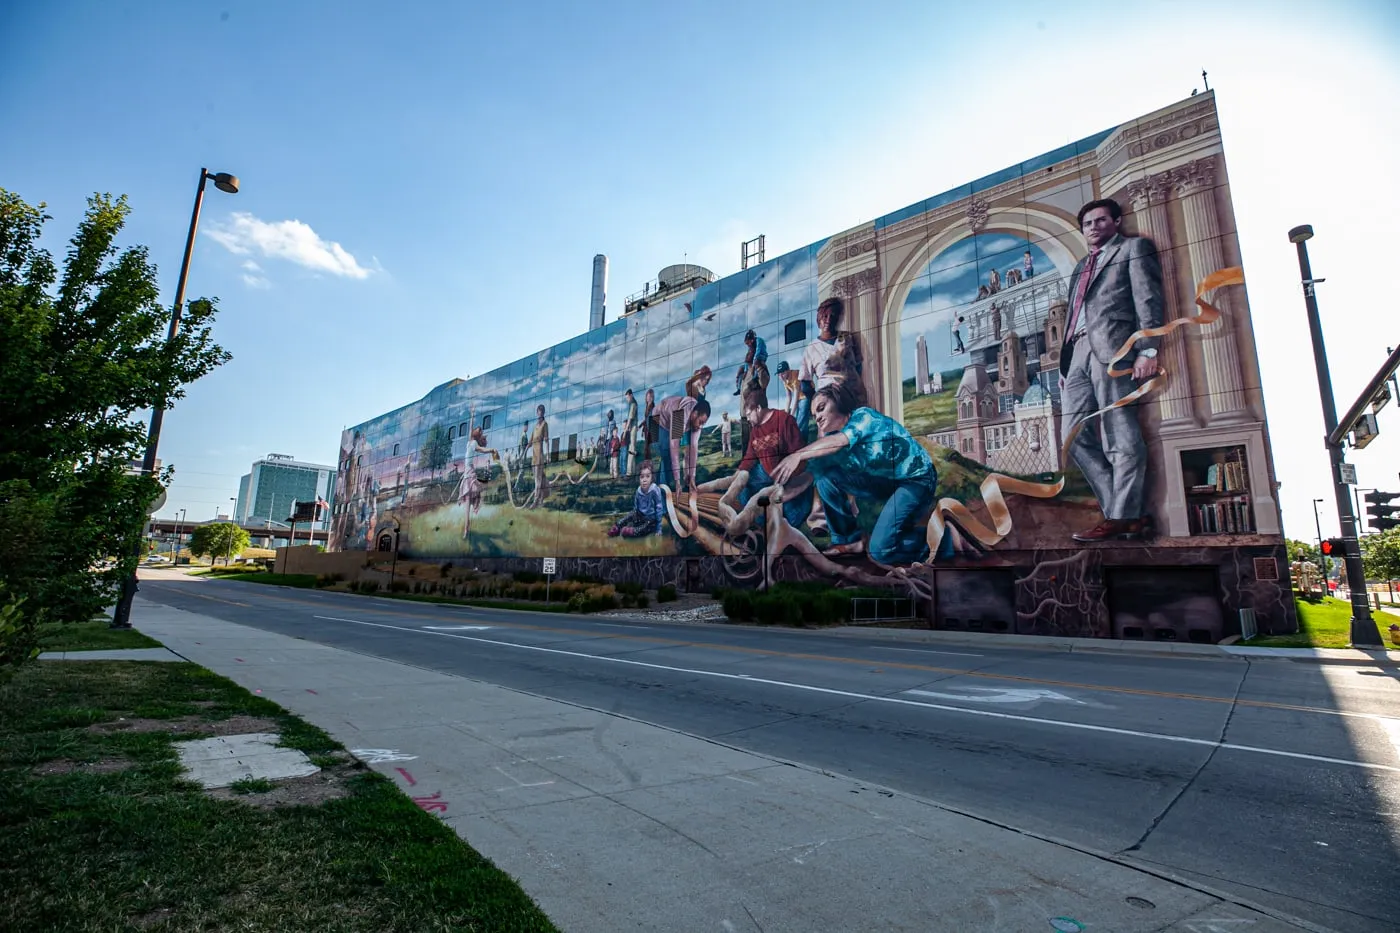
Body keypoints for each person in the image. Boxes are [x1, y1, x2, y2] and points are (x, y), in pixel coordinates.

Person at [1059, 197, 1164, 543]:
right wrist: (1067, 362)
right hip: (1077, 353)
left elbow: (1148, 299)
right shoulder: (1080, 267)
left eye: (1101, 220)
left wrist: (1147, 350)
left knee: (1120, 432)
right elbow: (1076, 313)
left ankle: (1122, 516)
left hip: (1114, 349)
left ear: (1116, 222)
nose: (1093, 227)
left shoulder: (1133, 249)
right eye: (1088, 223)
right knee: (1071, 437)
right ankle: (1123, 513)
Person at [773, 381, 953, 567]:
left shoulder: (863, 417)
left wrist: (798, 454)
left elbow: (841, 440)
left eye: (821, 408)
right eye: (814, 415)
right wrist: (774, 498)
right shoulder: (829, 441)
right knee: (824, 478)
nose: (817, 417)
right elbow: (809, 476)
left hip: (915, 480)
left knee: (880, 552)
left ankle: (944, 539)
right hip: (884, 482)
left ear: (839, 402)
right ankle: (848, 540)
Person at [796, 296, 863, 436]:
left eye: (833, 315)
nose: (828, 319)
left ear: (838, 317)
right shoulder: (811, 348)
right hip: (830, 407)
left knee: (857, 440)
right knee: (832, 446)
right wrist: (820, 399)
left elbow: (858, 365)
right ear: (819, 319)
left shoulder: (847, 338)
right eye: (825, 316)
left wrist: (853, 384)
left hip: (853, 400)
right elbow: (805, 383)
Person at [649, 393, 711, 493]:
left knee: (666, 460)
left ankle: (658, 487)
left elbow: (693, 450)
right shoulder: (680, 415)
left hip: (670, 420)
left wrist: (692, 478)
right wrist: (678, 482)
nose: (700, 426)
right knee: (667, 454)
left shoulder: (696, 421)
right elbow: (675, 449)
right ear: (694, 414)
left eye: (703, 424)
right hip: (656, 419)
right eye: (700, 422)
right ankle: (662, 495)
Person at [455, 426, 496, 539]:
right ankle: (466, 528)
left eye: (478, 430)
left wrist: (491, 449)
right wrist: (472, 414)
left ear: (477, 434)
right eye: (478, 430)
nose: (475, 430)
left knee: (478, 490)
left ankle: (477, 505)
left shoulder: (473, 444)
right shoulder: (470, 442)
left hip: (470, 473)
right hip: (467, 474)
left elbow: (482, 450)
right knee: (467, 505)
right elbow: (470, 428)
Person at [608, 462, 667, 538]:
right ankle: (617, 527)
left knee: (644, 528)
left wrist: (659, 528)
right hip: (641, 516)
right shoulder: (638, 490)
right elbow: (636, 507)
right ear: (639, 478)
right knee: (632, 513)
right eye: (642, 477)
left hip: (651, 520)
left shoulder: (654, 490)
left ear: (652, 478)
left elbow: (659, 507)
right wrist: (634, 518)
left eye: (647, 476)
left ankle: (632, 531)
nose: (644, 480)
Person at [734, 329, 770, 396]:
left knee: (756, 361)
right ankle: (739, 388)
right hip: (753, 358)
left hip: (761, 356)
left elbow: (758, 352)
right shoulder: (750, 347)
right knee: (741, 368)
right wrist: (745, 370)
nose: (747, 345)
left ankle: (755, 378)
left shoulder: (759, 341)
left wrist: (753, 365)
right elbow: (748, 356)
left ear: (752, 340)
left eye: (748, 343)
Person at [528, 404, 550, 509]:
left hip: (540, 455)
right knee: (538, 478)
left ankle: (535, 501)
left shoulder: (545, 424)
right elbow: (530, 442)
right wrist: (523, 453)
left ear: (543, 413)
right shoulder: (535, 426)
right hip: (534, 456)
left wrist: (548, 455)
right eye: (538, 411)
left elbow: (546, 440)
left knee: (538, 479)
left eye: (541, 411)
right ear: (537, 413)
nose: (540, 413)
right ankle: (541, 498)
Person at [621, 388, 639, 476]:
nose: (627, 400)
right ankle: (633, 471)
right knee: (632, 449)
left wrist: (625, 431)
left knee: (631, 449)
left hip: (633, 428)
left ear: (631, 395)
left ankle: (629, 472)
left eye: (627, 398)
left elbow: (630, 418)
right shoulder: (632, 403)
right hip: (633, 427)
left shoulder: (633, 404)